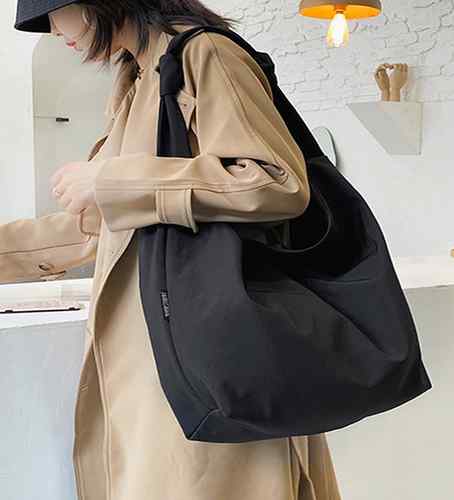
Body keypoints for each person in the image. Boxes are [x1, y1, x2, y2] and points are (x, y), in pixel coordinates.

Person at [8, 1, 343, 499]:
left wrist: (111, 179)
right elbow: (106, 228)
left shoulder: (204, 54)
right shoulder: (138, 77)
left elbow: (275, 181)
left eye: (55, 11)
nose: (54, 30)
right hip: (156, 362)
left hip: (205, 355)